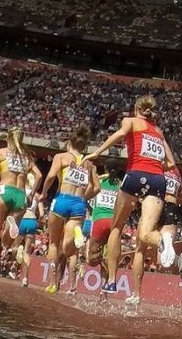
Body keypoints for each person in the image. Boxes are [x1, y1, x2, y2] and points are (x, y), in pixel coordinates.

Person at [84, 94, 178, 305]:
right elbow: (171, 164)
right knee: (145, 234)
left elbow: (119, 135)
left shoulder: (130, 121)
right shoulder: (158, 131)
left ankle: (111, 280)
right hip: (158, 180)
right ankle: (163, 240)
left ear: (136, 108)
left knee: (117, 227)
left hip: (135, 174)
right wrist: (154, 168)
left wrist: (96, 153)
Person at [40, 125, 98, 294]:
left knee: (53, 242)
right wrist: (84, 198)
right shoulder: (88, 163)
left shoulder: (61, 157)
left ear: (69, 143)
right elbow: (96, 188)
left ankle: (52, 282)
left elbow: (51, 176)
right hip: (78, 203)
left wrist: (43, 193)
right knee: (68, 248)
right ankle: (72, 286)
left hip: (61, 200)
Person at [0, 128, 41, 279]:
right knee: (7, 241)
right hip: (20, 196)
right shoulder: (26, 157)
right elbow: (39, 175)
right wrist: (31, 194)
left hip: (4, 191)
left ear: (8, 138)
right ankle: (10, 227)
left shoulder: (0, 153)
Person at [82, 158, 123, 272]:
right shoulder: (121, 185)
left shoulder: (99, 182)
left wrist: (99, 175)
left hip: (99, 220)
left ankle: (100, 258)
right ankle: (108, 284)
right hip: (114, 222)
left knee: (91, 259)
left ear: (105, 168)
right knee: (112, 258)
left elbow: (85, 195)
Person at [16, 170, 44, 286]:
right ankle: (25, 278)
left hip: (22, 219)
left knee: (14, 247)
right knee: (28, 251)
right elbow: (42, 214)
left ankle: (18, 251)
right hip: (32, 220)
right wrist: (38, 222)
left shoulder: (20, 192)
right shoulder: (37, 196)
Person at [158, 164, 182, 270]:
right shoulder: (177, 173)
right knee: (167, 248)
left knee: (159, 251)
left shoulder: (158, 167)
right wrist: (173, 197)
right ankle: (179, 260)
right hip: (172, 207)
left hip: (157, 203)